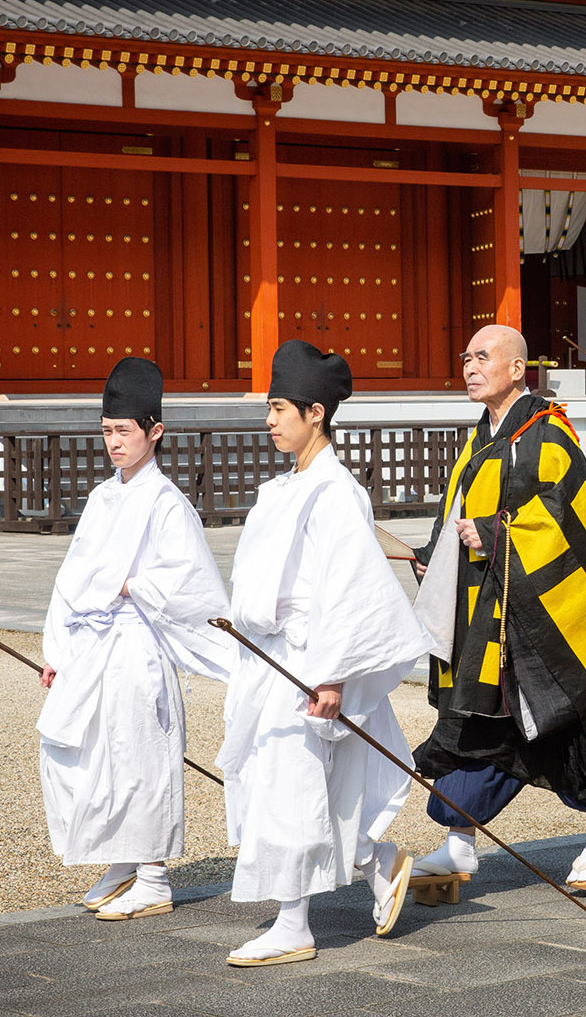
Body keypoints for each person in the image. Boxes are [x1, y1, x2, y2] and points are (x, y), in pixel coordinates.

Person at [409, 325, 586, 893]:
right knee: (480, 722)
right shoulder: (482, 437)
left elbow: (568, 515)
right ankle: (459, 843)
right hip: (487, 616)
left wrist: (495, 533)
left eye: (483, 357)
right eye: (466, 357)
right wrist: (435, 558)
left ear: (517, 369)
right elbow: (456, 514)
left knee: (559, 717)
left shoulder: (548, 433)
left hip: (539, 618)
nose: (469, 366)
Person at [218, 341, 429, 966]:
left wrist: (331, 675)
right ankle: (375, 859)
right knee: (295, 780)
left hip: (311, 657)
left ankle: (294, 923)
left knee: (293, 783)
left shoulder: (337, 491)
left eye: (279, 408)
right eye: (269, 408)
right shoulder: (285, 487)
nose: (269, 420)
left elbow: (349, 587)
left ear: (316, 413)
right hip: (274, 654)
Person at [37, 356, 236, 923]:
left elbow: (190, 582)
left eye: (124, 431)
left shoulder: (167, 502)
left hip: (137, 644)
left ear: (155, 431)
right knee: (91, 752)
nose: (114, 442)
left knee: (140, 754)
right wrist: (59, 651)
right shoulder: (103, 497)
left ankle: (153, 876)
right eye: (107, 431)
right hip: (94, 645)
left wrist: (130, 585)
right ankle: (122, 859)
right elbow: (71, 578)